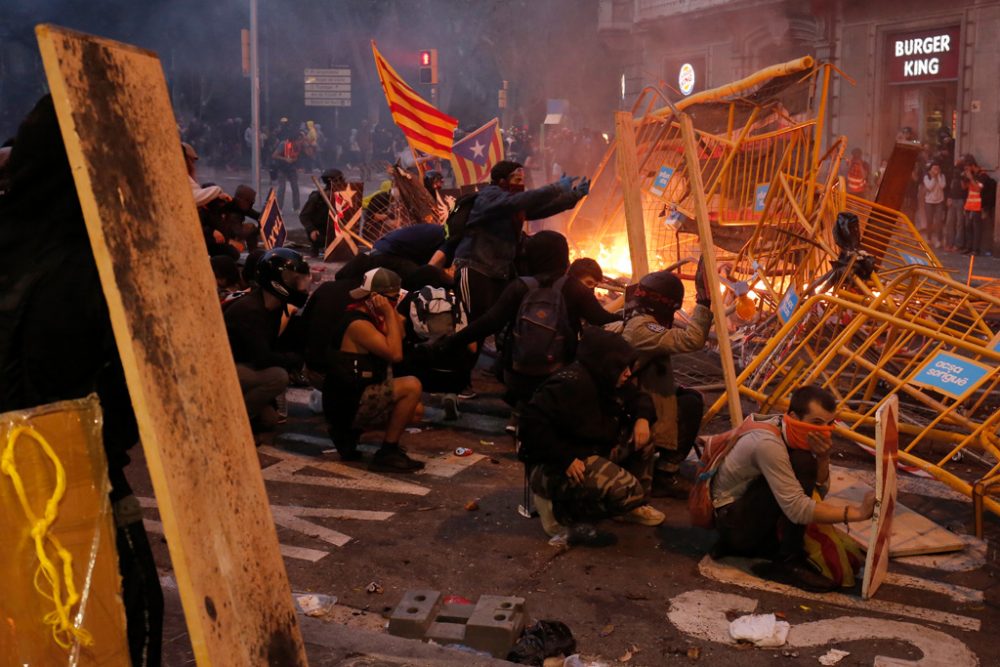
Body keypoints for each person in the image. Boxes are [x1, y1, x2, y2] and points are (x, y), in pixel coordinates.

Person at [0, 94, 162, 666]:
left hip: (33, 480)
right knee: (111, 621)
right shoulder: (80, 267)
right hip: (63, 487)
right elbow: (89, 396)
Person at [442, 231, 620, 428]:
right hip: (560, 375)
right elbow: (602, 320)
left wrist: (449, 342)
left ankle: (521, 409)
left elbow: (488, 322)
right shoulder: (574, 288)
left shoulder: (520, 286)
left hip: (516, 373)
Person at [710, 385, 875, 592]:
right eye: (817, 423)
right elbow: (797, 508)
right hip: (733, 524)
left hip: (747, 514)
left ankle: (765, 549)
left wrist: (823, 457)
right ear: (794, 416)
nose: (824, 430)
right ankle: (787, 562)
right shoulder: (768, 443)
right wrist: (857, 513)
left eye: (829, 424)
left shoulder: (788, 428)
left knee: (803, 462)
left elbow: (817, 494)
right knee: (803, 462)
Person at [518, 327, 663, 546]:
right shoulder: (570, 384)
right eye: (622, 367)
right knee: (626, 490)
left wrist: (642, 418)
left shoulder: (606, 380)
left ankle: (631, 507)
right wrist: (564, 458)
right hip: (552, 465)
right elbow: (529, 425)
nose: (628, 373)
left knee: (645, 438)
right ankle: (557, 510)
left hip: (589, 451)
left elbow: (639, 398)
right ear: (607, 364)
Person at [605, 262, 712, 497]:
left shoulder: (629, 318)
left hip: (622, 399)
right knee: (690, 403)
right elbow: (691, 340)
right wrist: (703, 303)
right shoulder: (643, 328)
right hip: (624, 410)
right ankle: (666, 471)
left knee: (681, 392)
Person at [452, 161, 589, 324]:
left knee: (491, 325)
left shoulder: (513, 205)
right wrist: (556, 188)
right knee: (470, 326)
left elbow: (543, 208)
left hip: (499, 273)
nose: (522, 185)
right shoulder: (489, 196)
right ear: (502, 181)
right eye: (517, 180)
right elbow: (520, 201)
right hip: (475, 270)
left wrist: (573, 196)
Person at [322, 268, 425, 472]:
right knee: (412, 386)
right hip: (346, 403)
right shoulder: (359, 324)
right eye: (393, 298)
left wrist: (391, 313)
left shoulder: (370, 316)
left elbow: (400, 335)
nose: (396, 302)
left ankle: (351, 435)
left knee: (416, 411)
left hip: (355, 395)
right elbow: (395, 354)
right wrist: (389, 312)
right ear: (375, 298)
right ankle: (387, 451)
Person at [223, 248, 309, 432]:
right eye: (293, 279)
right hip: (223, 368)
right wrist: (296, 359)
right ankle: (229, 420)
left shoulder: (273, 305)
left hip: (240, 364)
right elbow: (262, 357)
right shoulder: (251, 310)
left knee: (269, 419)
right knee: (278, 377)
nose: (299, 285)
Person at [300, 168, 346, 254]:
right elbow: (304, 215)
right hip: (321, 231)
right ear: (330, 180)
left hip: (338, 229)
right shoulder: (317, 197)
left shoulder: (344, 195)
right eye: (339, 179)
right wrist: (312, 229)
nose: (342, 181)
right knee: (320, 239)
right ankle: (316, 247)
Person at [272, 128, 302, 211]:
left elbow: (297, 156)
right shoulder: (284, 144)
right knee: (282, 188)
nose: (300, 142)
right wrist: (285, 159)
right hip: (282, 168)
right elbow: (274, 155)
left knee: (295, 187)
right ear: (293, 140)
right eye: (298, 140)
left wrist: (294, 160)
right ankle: (279, 208)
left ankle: (296, 207)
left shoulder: (298, 146)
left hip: (292, 168)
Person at [961, 156, 985, 255]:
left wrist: (971, 178)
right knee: (968, 227)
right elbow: (963, 188)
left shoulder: (982, 175)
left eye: (967, 168)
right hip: (969, 205)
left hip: (978, 206)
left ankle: (976, 249)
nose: (966, 170)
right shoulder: (970, 175)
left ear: (972, 166)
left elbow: (978, 189)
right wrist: (963, 178)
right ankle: (969, 247)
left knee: (976, 228)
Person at [944, 156, 968, 251]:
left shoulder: (965, 173)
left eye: (960, 160)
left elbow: (964, 188)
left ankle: (958, 244)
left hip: (961, 200)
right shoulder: (953, 171)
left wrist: (962, 176)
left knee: (959, 223)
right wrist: (949, 197)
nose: (957, 161)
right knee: (950, 222)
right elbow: (949, 186)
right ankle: (949, 243)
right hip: (952, 199)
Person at [922, 162, 946, 249]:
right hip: (929, 201)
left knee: (939, 221)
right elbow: (929, 187)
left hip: (939, 201)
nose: (936, 170)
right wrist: (933, 178)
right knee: (929, 221)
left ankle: (939, 240)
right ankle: (929, 239)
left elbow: (942, 186)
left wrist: (938, 176)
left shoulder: (942, 176)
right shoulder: (926, 177)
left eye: (937, 168)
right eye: (934, 168)